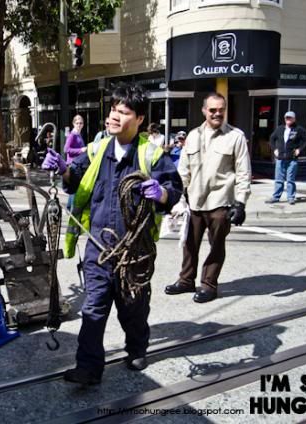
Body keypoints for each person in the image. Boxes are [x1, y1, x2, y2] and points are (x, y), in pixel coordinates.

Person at [42, 83, 183, 385]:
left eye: (124, 111)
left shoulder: (153, 156)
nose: (115, 116)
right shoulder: (97, 149)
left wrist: (160, 194)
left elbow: (173, 191)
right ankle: (89, 368)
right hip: (98, 248)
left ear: (140, 119)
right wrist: (62, 167)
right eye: (113, 109)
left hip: (134, 252)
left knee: (133, 307)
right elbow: (73, 176)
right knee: (93, 308)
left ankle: (136, 348)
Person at [165, 93, 251, 304]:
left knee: (216, 245)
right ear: (204, 110)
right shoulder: (193, 136)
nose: (217, 113)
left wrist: (240, 203)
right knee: (189, 244)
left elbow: (243, 172)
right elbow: (183, 169)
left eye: (221, 109)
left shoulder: (235, 136)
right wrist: (176, 196)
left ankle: (209, 284)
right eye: (212, 110)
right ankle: (186, 281)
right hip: (195, 200)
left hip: (221, 202)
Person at [266, 111, 306, 205]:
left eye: (290, 118)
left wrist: (300, 149)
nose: (288, 119)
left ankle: (291, 197)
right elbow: (271, 139)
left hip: (292, 159)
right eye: (287, 118)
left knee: (290, 180)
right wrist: (274, 149)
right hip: (280, 158)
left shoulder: (298, 129)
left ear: (294, 119)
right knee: (279, 179)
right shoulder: (280, 129)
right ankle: (276, 197)